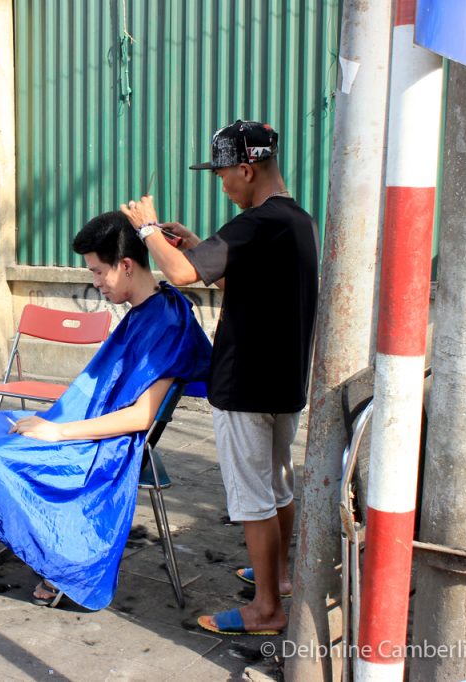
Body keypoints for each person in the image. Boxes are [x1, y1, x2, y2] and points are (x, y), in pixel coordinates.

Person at [0, 211, 212, 610]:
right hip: (85, 424)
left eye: (99, 273)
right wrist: (55, 421)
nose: (95, 284)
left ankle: (59, 559)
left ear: (127, 266)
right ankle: (37, 540)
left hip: (108, 444)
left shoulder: (167, 322)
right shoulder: (149, 311)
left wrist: (57, 432)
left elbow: (139, 418)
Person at [121, 120, 318, 636]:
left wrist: (147, 229)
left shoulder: (255, 222)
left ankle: (266, 609)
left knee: (253, 497)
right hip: (284, 383)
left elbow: (182, 276)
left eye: (224, 174)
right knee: (277, 485)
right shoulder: (295, 221)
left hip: (247, 385)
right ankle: (280, 577)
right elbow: (234, 273)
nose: (222, 183)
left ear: (247, 169)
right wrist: (189, 243)